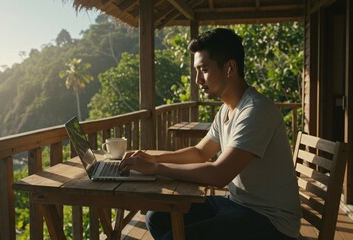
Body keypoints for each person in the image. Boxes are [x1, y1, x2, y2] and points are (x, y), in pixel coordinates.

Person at [120, 28, 301, 239]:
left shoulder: (255, 110)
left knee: (173, 237)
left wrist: (156, 168)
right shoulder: (227, 108)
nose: (198, 79)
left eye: (203, 70)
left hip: (272, 223)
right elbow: (199, 152)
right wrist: (153, 158)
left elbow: (218, 174)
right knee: (157, 217)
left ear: (230, 68)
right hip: (239, 205)